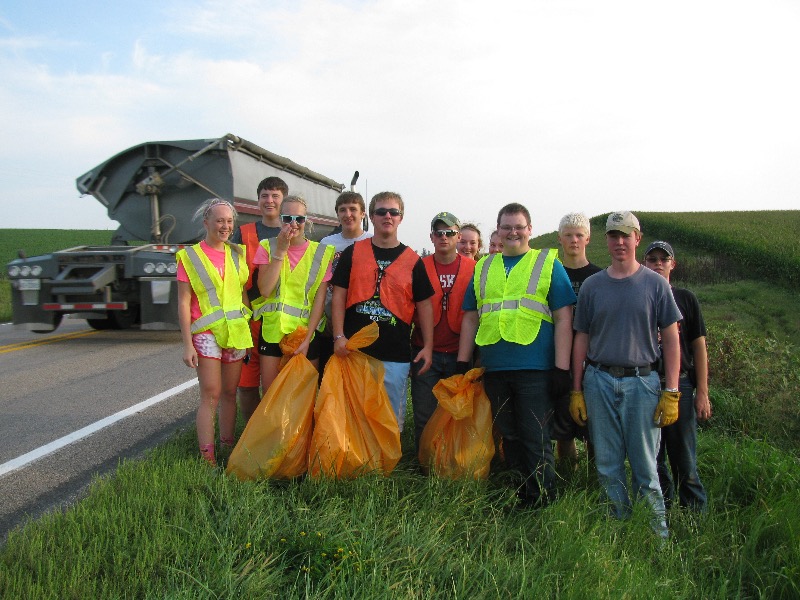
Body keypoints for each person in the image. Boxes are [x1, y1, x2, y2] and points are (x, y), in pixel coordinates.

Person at [570, 211, 682, 538]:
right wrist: (576, 389)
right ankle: (617, 533)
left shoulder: (656, 284)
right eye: (613, 235)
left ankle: (656, 538)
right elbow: (581, 338)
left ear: (637, 238)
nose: (619, 242)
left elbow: (672, 339)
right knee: (607, 465)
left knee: (646, 468)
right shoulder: (592, 286)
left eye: (625, 235)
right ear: (606, 240)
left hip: (642, 384)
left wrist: (671, 390)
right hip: (599, 381)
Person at [457, 203, 576, 507]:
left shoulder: (547, 263)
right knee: (509, 437)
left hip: (535, 369)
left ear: (529, 230)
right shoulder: (483, 267)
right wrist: (463, 360)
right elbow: (471, 317)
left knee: (535, 438)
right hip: (495, 368)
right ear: (497, 231)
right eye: (506, 227)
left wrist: (562, 368)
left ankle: (542, 502)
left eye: (519, 226)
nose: (512, 232)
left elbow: (564, 318)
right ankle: (522, 496)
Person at [330, 192, 434, 431]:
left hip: (394, 353)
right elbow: (338, 296)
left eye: (393, 212)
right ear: (372, 218)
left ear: (401, 218)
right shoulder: (353, 253)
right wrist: (338, 336)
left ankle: (386, 466)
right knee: (353, 413)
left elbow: (425, 306)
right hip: (355, 350)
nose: (388, 216)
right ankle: (357, 464)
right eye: (381, 212)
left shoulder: (413, 260)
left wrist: (427, 346)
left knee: (389, 416)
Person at [177, 199, 252, 466]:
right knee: (211, 392)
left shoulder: (237, 254)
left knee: (231, 392)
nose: (225, 226)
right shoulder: (190, 257)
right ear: (206, 223)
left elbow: (242, 294)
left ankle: (227, 450)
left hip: (235, 332)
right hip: (206, 333)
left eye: (229, 221)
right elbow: (184, 302)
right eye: (220, 220)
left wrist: (246, 333)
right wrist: (187, 345)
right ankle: (207, 458)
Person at [644, 240, 711, 512]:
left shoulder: (685, 298)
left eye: (664, 259)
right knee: (654, 461)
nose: (658, 263)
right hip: (648, 383)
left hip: (681, 385)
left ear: (673, 264)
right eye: (652, 259)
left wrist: (702, 392)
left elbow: (698, 347)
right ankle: (664, 514)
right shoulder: (641, 295)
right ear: (644, 263)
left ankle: (695, 517)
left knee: (684, 458)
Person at [252, 195, 334, 394]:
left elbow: (319, 301)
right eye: (288, 219)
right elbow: (265, 290)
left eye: (299, 219)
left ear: (307, 221)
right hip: (273, 332)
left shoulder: (322, 253)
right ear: (280, 220)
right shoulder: (267, 246)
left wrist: (307, 339)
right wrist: (280, 250)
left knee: (303, 397)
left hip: (305, 333)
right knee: (272, 396)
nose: (294, 224)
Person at [411, 212, 476, 450]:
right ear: (431, 237)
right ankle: (425, 463)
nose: (444, 237)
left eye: (449, 233)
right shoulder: (419, 267)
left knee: (459, 414)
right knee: (423, 412)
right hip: (425, 351)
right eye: (438, 233)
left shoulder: (474, 268)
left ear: (458, 236)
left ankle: (454, 461)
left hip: (460, 353)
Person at [230, 176, 288, 423]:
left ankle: (275, 433)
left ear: (283, 200)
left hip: (281, 320)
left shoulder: (291, 231)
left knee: (278, 383)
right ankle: (252, 435)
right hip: (252, 317)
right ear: (258, 200)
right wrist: (242, 315)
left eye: (275, 196)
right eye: (265, 195)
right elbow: (236, 278)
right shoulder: (243, 233)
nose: (269, 200)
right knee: (247, 383)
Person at [550, 213, 602, 466]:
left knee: (595, 430)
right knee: (563, 430)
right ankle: (568, 479)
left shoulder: (599, 277)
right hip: (559, 360)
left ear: (588, 238)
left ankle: (596, 481)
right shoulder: (550, 273)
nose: (574, 240)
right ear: (560, 238)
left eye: (579, 235)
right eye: (568, 235)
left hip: (592, 362)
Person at [317, 191, 373, 371]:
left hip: (360, 315)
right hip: (331, 315)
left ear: (362, 213)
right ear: (337, 214)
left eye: (353, 209)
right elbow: (319, 281)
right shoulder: (326, 243)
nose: (348, 214)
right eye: (342, 210)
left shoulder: (372, 241)